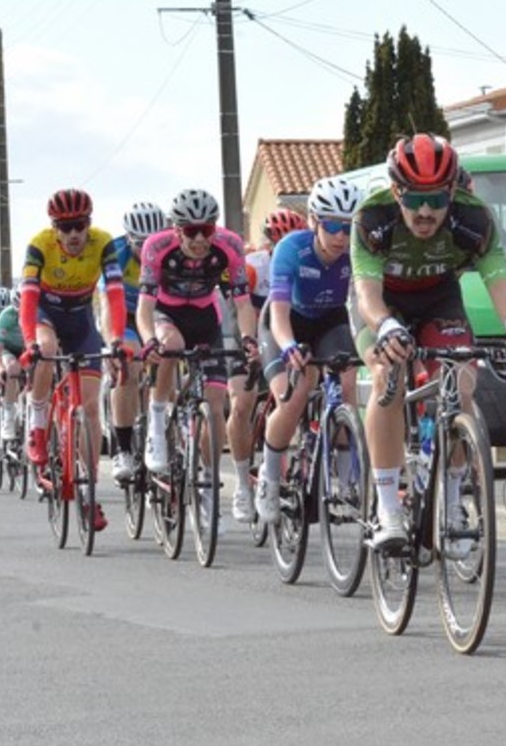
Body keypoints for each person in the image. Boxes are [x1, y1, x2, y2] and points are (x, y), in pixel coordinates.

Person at [351, 133, 506, 554]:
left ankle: (453, 501)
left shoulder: (474, 219)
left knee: (461, 386)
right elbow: (366, 292)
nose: (425, 211)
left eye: (437, 199)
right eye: (415, 199)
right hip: (384, 304)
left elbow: (498, 279)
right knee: (388, 377)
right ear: (397, 192)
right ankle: (388, 508)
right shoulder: (372, 217)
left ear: (452, 193)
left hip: (440, 299)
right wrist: (384, 326)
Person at [137, 188, 256, 527]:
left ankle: (207, 479)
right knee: (171, 344)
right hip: (167, 314)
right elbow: (144, 308)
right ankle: (156, 424)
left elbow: (242, 303)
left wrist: (248, 339)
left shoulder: (230, 245)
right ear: (176, 230)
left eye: (207, 229)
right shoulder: (156, 247)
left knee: (216, 404)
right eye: (192, 231)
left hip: (206, 318)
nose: (201, 239)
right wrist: (149, 341)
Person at [255, 178, 362, 525]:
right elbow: (279, 314)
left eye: (348, 227)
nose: (341, 237)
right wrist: (288, 347)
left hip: (330, 320)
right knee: (295, 394)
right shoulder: (291, 249)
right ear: (314, 221)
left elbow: (364, 304)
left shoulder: (357, 252)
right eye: (332, 226)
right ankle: (270, 476)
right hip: (288, 322)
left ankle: (347, 480)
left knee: (347, 385)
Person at [20, 188, 126, 532]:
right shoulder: (40, 245)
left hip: (81, 321)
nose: (74, 234)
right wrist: (29, 342)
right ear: (54, 228)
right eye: (66, 227)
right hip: (46, 315)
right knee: (47, 348)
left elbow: (114, 296)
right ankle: (37, 420)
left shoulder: (103, 243)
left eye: (80, 225)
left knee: (91, 408)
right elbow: (28, 301)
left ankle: (89, 490)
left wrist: (116, 339)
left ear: (89, 223)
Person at [227, 208, 306, 523]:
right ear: (268, 243)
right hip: (248, 330)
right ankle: (242, 484)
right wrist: (251, 345)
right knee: (242, 404)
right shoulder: (253, 267)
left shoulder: (303, 261)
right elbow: (239, 310)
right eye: (276, 243)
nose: (282, 249)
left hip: (283, 329)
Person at [101, 201, 168, 483]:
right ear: (128, 238)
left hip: (158, 315)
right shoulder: (116, 254)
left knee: (168, 360)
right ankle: (123, 449)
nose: (147, 248)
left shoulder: (170, 249)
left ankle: (166, 432)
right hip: (124, 316)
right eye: (140, 243)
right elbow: (108, 305)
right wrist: (114, 343)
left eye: (153, 241)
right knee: (130, 367)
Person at [0, 287, 25, 442]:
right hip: (7, 349)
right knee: (12, 368)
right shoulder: (6, 316)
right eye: (19, 312)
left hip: (26, 349)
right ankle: (8, 415)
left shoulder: (39, 313)